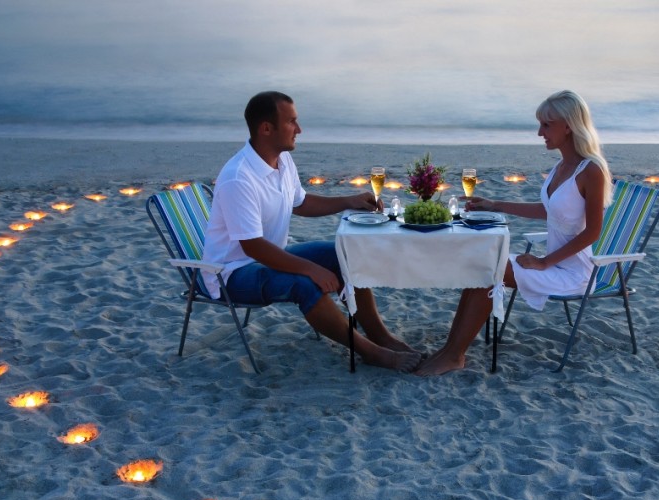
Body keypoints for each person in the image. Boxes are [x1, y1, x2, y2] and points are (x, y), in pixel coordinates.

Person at [203, 91, 421, 372]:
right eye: (292, 122)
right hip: (231, 273)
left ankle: (381, 337)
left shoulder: (282, 162)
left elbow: (301, 202)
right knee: (303, 283)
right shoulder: (239, 178)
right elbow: (253, 247)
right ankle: (371, 352)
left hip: (269, 258)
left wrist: (348, 200)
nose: (299, 129)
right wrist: (310, 269)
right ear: (266, 128)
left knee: (345, 255)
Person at [415, 90, 612, 376]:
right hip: (555, 264)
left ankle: (455, 355)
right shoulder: (561, 166)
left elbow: (593, 232)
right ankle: (449, 350)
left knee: (491, 269)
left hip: (575, 274)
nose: (539, 132)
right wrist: (496, 204)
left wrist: (545, 262)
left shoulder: (591, 170)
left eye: (546, 124)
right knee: (482, 264)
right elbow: (549, 211)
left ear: (568, 125)